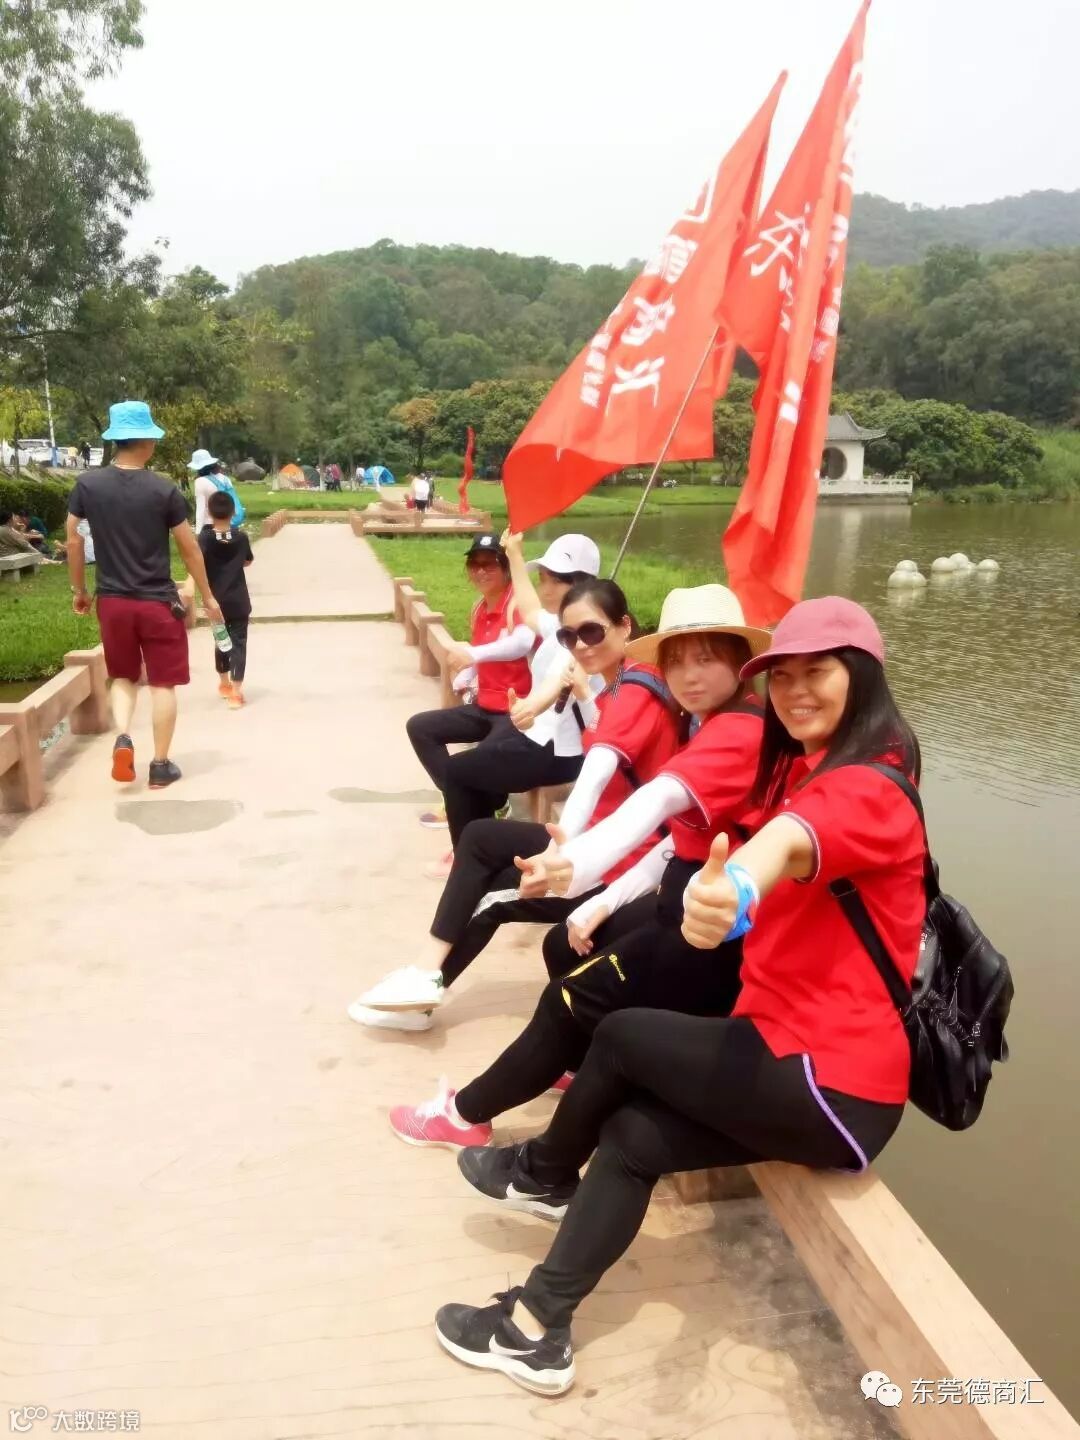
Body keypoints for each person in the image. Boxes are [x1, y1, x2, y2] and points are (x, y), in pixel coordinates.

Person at [432, 597, 925, 1397]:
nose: (796, 691)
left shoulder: (865, 788)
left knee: (622, 1035)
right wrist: (588, 872)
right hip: (791, 1052)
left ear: (863, 678)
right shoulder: (809, 763)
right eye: (783, 677)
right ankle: (536, 1328)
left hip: (828, 1078)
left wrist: (731, 892)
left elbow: (782, 845)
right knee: (633, 1137)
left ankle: (543, 1170)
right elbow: (689, 822)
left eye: (819, 673)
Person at [387, 584, 771, 1148]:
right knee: (563, 949)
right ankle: (559, 1071)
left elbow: (654, 802)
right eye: (677, 661)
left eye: (707, 658)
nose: (689, 676)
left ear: (741, 662)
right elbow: (680, 840)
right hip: (685, 900)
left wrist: (573, 862)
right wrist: (601, 899)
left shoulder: (735, 729)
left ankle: (467, 1118)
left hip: (717, 931)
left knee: (569, 997)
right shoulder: (705, 719)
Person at [349, 577, 681, 1030]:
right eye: (570, 636)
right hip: (602, 839)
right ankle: (424, 976)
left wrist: (557, 853)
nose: (581, 645)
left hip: (620, 862)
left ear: (625, 626)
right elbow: (615, 742)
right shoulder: (619, 684)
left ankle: (424, 990)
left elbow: (595, 775)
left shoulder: (638, 688)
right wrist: (584, 696)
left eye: (592, 631)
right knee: (479, 837)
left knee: (494, 892)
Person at [66, 400, 222, 789]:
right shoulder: (163, 489)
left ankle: (123, 736)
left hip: (113, 601)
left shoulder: (88, 485)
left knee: (122, 676)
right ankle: (160, 765)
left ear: (116, 440)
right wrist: (207, 595)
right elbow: (189, 548)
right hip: (157, 603)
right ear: (148, 442)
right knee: (162, 684)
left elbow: (73, 538)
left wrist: (79, 590)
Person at [423, 532, 604, 854]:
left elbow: (559, 681)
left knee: (458, 772)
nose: (544, 589)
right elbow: (531, 611)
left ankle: (469, 854)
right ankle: (475, 850)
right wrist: (515, 555)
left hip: (559, 751)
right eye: (543, 579)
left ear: (580, 584)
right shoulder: (561, 624)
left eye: (554, 581)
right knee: (471, 770)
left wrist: (529, 706)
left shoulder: (585, 637)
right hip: (536, 736)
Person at [405, 535, 533, 836]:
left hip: (516, 711)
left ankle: (476, 807)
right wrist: (467, 674)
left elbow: (521, 643)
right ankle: (457, 797)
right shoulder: (479, 608)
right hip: (484, 705)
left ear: (506, 568)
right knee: (420, 727)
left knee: (480, 760)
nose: (481, 571)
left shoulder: (518, 602)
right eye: (474, 564)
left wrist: (473, 655)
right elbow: (483, 650)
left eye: (490, 564)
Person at [198, 490, 254, 710]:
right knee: (239, 643)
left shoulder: (205, 538)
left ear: (209, 512)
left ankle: (224, 683)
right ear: (233, 512)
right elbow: (247, 561)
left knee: (221, 640)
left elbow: (198, 561)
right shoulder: (241, 537)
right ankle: (236, 693)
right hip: (238, 600)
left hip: (215, 601)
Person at [188, 449, 245, 531]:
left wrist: (198, 531)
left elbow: (201, 509)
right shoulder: (225, 479)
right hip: (229, 523)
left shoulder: (200, 482)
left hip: (211, 526)